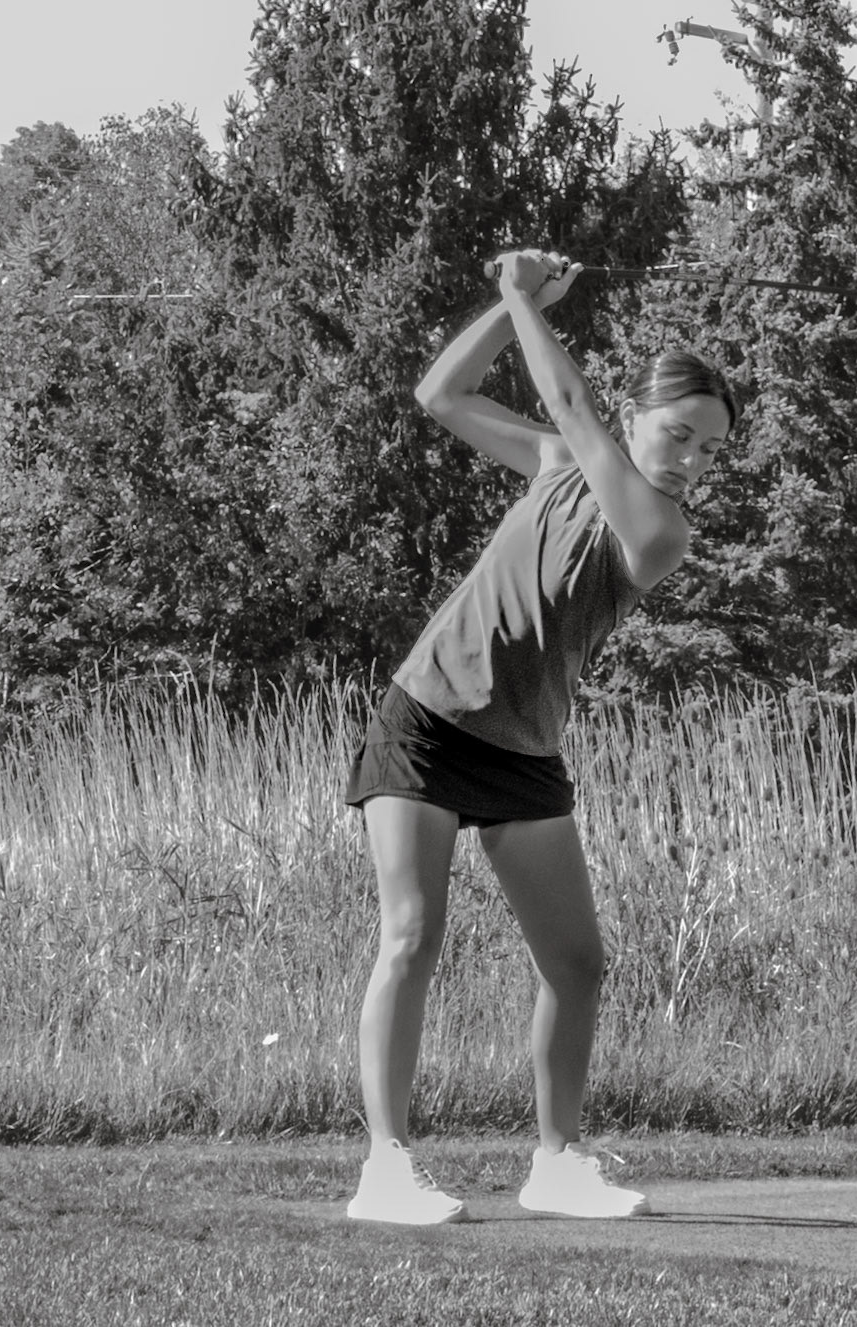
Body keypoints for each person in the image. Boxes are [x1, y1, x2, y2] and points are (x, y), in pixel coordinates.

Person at [341, 249, 737, 1224]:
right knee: (411, 935)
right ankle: (386, 1166)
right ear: (642, 418)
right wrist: (503, 301)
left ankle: (555, 1162)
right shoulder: (562, 470)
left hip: (521, 748)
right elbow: (442, 393)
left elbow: (568, 406)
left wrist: (525, 297)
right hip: (430, 716)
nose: (689, 462)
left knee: (576, 964)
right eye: (678, 436)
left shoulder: (658, 530)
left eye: (707, 452)